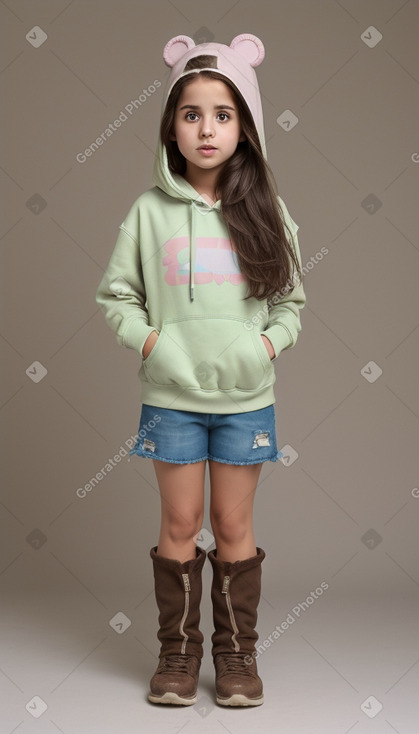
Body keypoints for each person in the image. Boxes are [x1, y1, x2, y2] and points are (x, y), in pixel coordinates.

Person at [95, 33, 306, 708]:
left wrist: (263, 349)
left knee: (233, 525)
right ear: (171, 127)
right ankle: (178, 655)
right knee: (181, 525)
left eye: (222, 113)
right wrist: (155, 346)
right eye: (191, 114)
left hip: (246, 400)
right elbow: (115, 297)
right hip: (171, 399)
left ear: (244, 126)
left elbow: (290, 307)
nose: (206, 128)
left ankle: (236, 656)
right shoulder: (147, 213)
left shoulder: (268, 214)